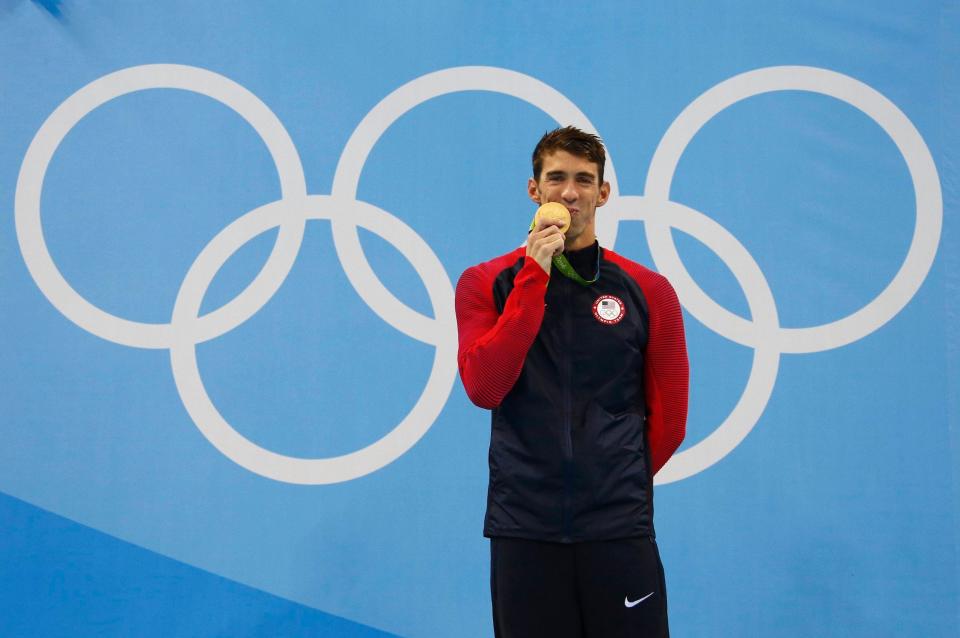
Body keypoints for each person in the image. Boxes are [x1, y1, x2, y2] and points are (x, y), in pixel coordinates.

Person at [455, 126, 689, 638]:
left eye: (584, 180)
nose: (570, 192)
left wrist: (612, 480)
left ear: (603, 194)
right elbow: (484, 387)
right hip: (525, 527)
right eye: (556, 178)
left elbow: (670, 419)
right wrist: (532, 275)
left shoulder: (649, 290)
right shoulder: (486, 282)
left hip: (617, 528)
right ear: (534, 190)